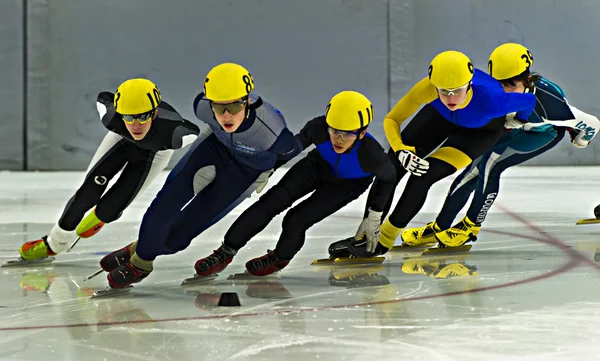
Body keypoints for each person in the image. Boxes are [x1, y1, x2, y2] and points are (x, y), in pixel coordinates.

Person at [100, 63, 302, 288]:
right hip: (213, 148)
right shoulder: (202, 106)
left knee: (177, 240)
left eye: (234, 106)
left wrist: (267, 170)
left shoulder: (273, 131)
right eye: (218, 107)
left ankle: (140, 248)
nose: (226, 115)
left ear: (247, 101)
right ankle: (141, 264)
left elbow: (290, 151)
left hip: (248, 170)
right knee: (164, 205)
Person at [329, 50, 537, 257]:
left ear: (470, 84)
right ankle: (366, 232)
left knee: (423, 176)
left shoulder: (494, 100)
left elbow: (529, 102)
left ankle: (384, 240)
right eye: (444, 91)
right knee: (392, 166)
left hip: (478, 132)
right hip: (440, 118)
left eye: (457, 90)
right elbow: (392, 119)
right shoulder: (428, 89)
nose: (451, 97)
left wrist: (519, 120)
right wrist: (400, 149)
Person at [403, 43, 600, 248]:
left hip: (544, 132)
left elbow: (593, 123)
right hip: (518, 127)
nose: (504, 91)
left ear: (528, 79)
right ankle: (440, 227)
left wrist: (580, 140)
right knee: (473, 167)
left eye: (511, 85)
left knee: (492, 162)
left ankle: (471, 225)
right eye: (500, 84)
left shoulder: (550, 104)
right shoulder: (490, 90)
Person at [192, 90, 396, 277]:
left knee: (296, 220)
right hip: (317, 166)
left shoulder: (372, 154)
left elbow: (388, 178)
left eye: (348, 134)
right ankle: (226, 251)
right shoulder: (318, 127)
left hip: (347, 185)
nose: (339, 139)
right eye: (334, 130)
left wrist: (375, 215)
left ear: (362, 132)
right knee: (271, 201)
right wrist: (267, 168)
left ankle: (280, 257)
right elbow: (293, 147)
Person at [8, 78, 199, 266]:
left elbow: (194, 130)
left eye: (142, 117)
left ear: (155, 113)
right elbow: (104, 97)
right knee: (87, 192)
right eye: (128, 117)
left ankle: (102, 216)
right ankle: (54, 243)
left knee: (111, 207)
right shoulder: (112, 117)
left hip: (155, 153)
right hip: (120, 140)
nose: (135, 125)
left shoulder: (173, 134)